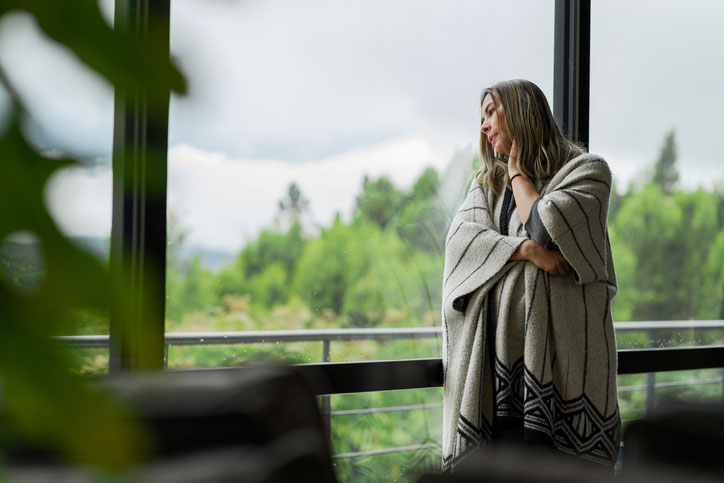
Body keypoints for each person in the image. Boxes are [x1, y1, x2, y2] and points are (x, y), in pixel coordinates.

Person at [441, 79, 620, 472]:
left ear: (521, 111)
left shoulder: (588, 171)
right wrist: (524, 251)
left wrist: (519, 174)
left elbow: (544, 227)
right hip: (497, 374)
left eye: (491, 112)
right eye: (481, 118)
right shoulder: (486, 185)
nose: (484, 127)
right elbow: (460, 246)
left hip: (566, 372)